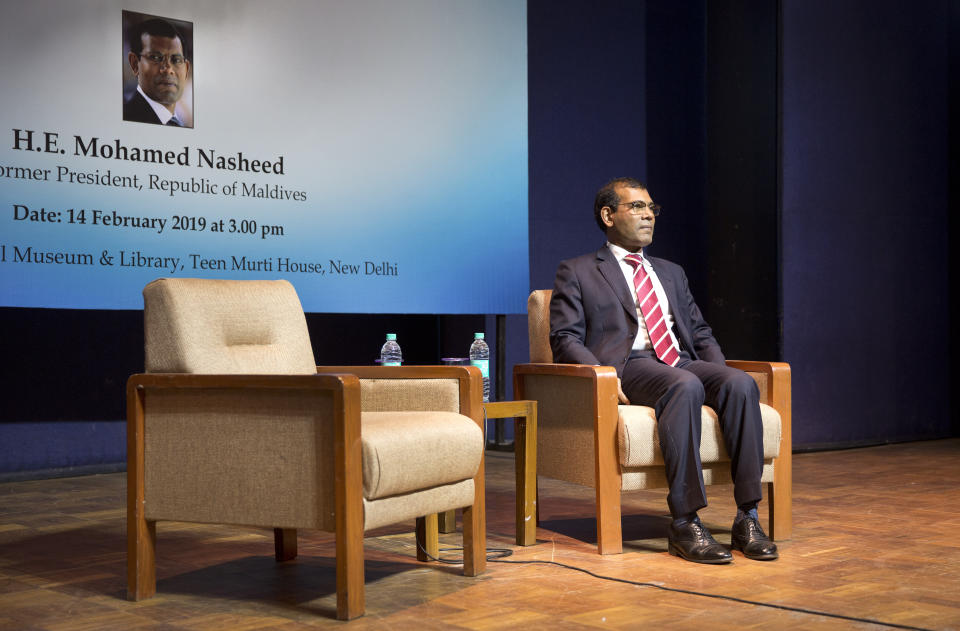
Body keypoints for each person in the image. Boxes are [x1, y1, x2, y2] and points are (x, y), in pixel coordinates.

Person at [549, 177, 778, 564]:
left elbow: (700, 331)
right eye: (637, 207)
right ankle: (685, 523)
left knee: (739, 384)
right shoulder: (578, 270)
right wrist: (603, 376)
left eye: (651, 208)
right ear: (608, 215)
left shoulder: (671, 272)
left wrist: (717, 376)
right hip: (630, 365)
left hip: (681, 360)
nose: (648, 216)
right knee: (684, 385)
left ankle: (748, 517)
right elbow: (564, 338)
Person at [124, 18, 191, 127]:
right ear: (135, 64)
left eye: (176, 60)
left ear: (187, 69)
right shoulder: (127, 117)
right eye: (155, 58)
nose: (168, 69)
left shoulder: (180, 123)